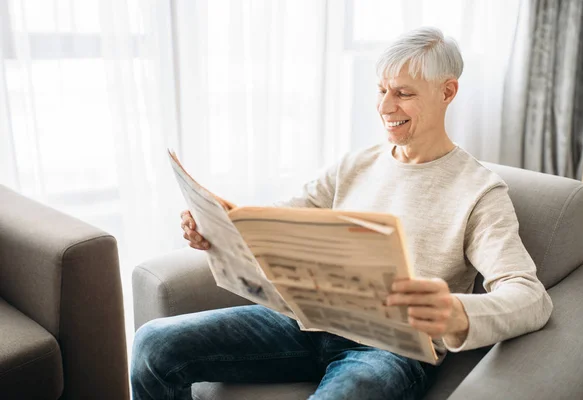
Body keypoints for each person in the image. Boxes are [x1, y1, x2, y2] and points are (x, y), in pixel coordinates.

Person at [130, 27, 553, 400]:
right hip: (303, 322)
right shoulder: (357, 164)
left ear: (447, 92)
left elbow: (530, 296)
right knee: (153, 344)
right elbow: (278, 220)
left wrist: (458, 313)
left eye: (403, 93)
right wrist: (218, 225)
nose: (385, 106)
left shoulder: (479, 191)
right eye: (381, 89)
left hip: (389, 350)